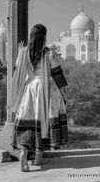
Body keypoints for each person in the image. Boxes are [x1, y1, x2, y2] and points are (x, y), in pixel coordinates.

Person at [11, 24, 68, 172]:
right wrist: (63, 91)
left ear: (31, 37)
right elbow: (57, 73)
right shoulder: (49, 53)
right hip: (46, 89)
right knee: (43, 123)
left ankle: (23, 152)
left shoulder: (23, 52)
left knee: (27, 120)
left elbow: (17, 69)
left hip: (30, 88)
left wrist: (19, 52)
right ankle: (37, 158)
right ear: (44, 37)